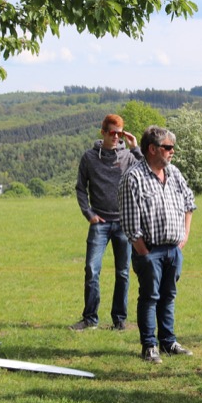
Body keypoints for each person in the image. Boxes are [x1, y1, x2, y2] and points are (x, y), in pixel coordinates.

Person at [118, 126, 196, 363]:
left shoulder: (174, 173)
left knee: (168, 296)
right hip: (150, 250)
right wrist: (144, 252)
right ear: (152, 149)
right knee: (150, 297)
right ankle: (149, 346)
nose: (172, 151)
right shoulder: (133, 177)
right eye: (168, 147)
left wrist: (184, 235)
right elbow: (130, 224)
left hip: (173, 249)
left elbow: (189, 202)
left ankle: (168, 342)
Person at [72, 114, 141, 331]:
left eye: (119, 133)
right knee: (92, 270)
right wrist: (89, 213)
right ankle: (90, 319)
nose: (116, 137)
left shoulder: (128, 156)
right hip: (99, 223)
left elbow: (148, 172)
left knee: (123, 273)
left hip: (123, 224)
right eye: (112, 133)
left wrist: (135, 147)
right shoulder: (89, 157)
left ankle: (119, 320)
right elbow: (81, 188)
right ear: (103, 133)